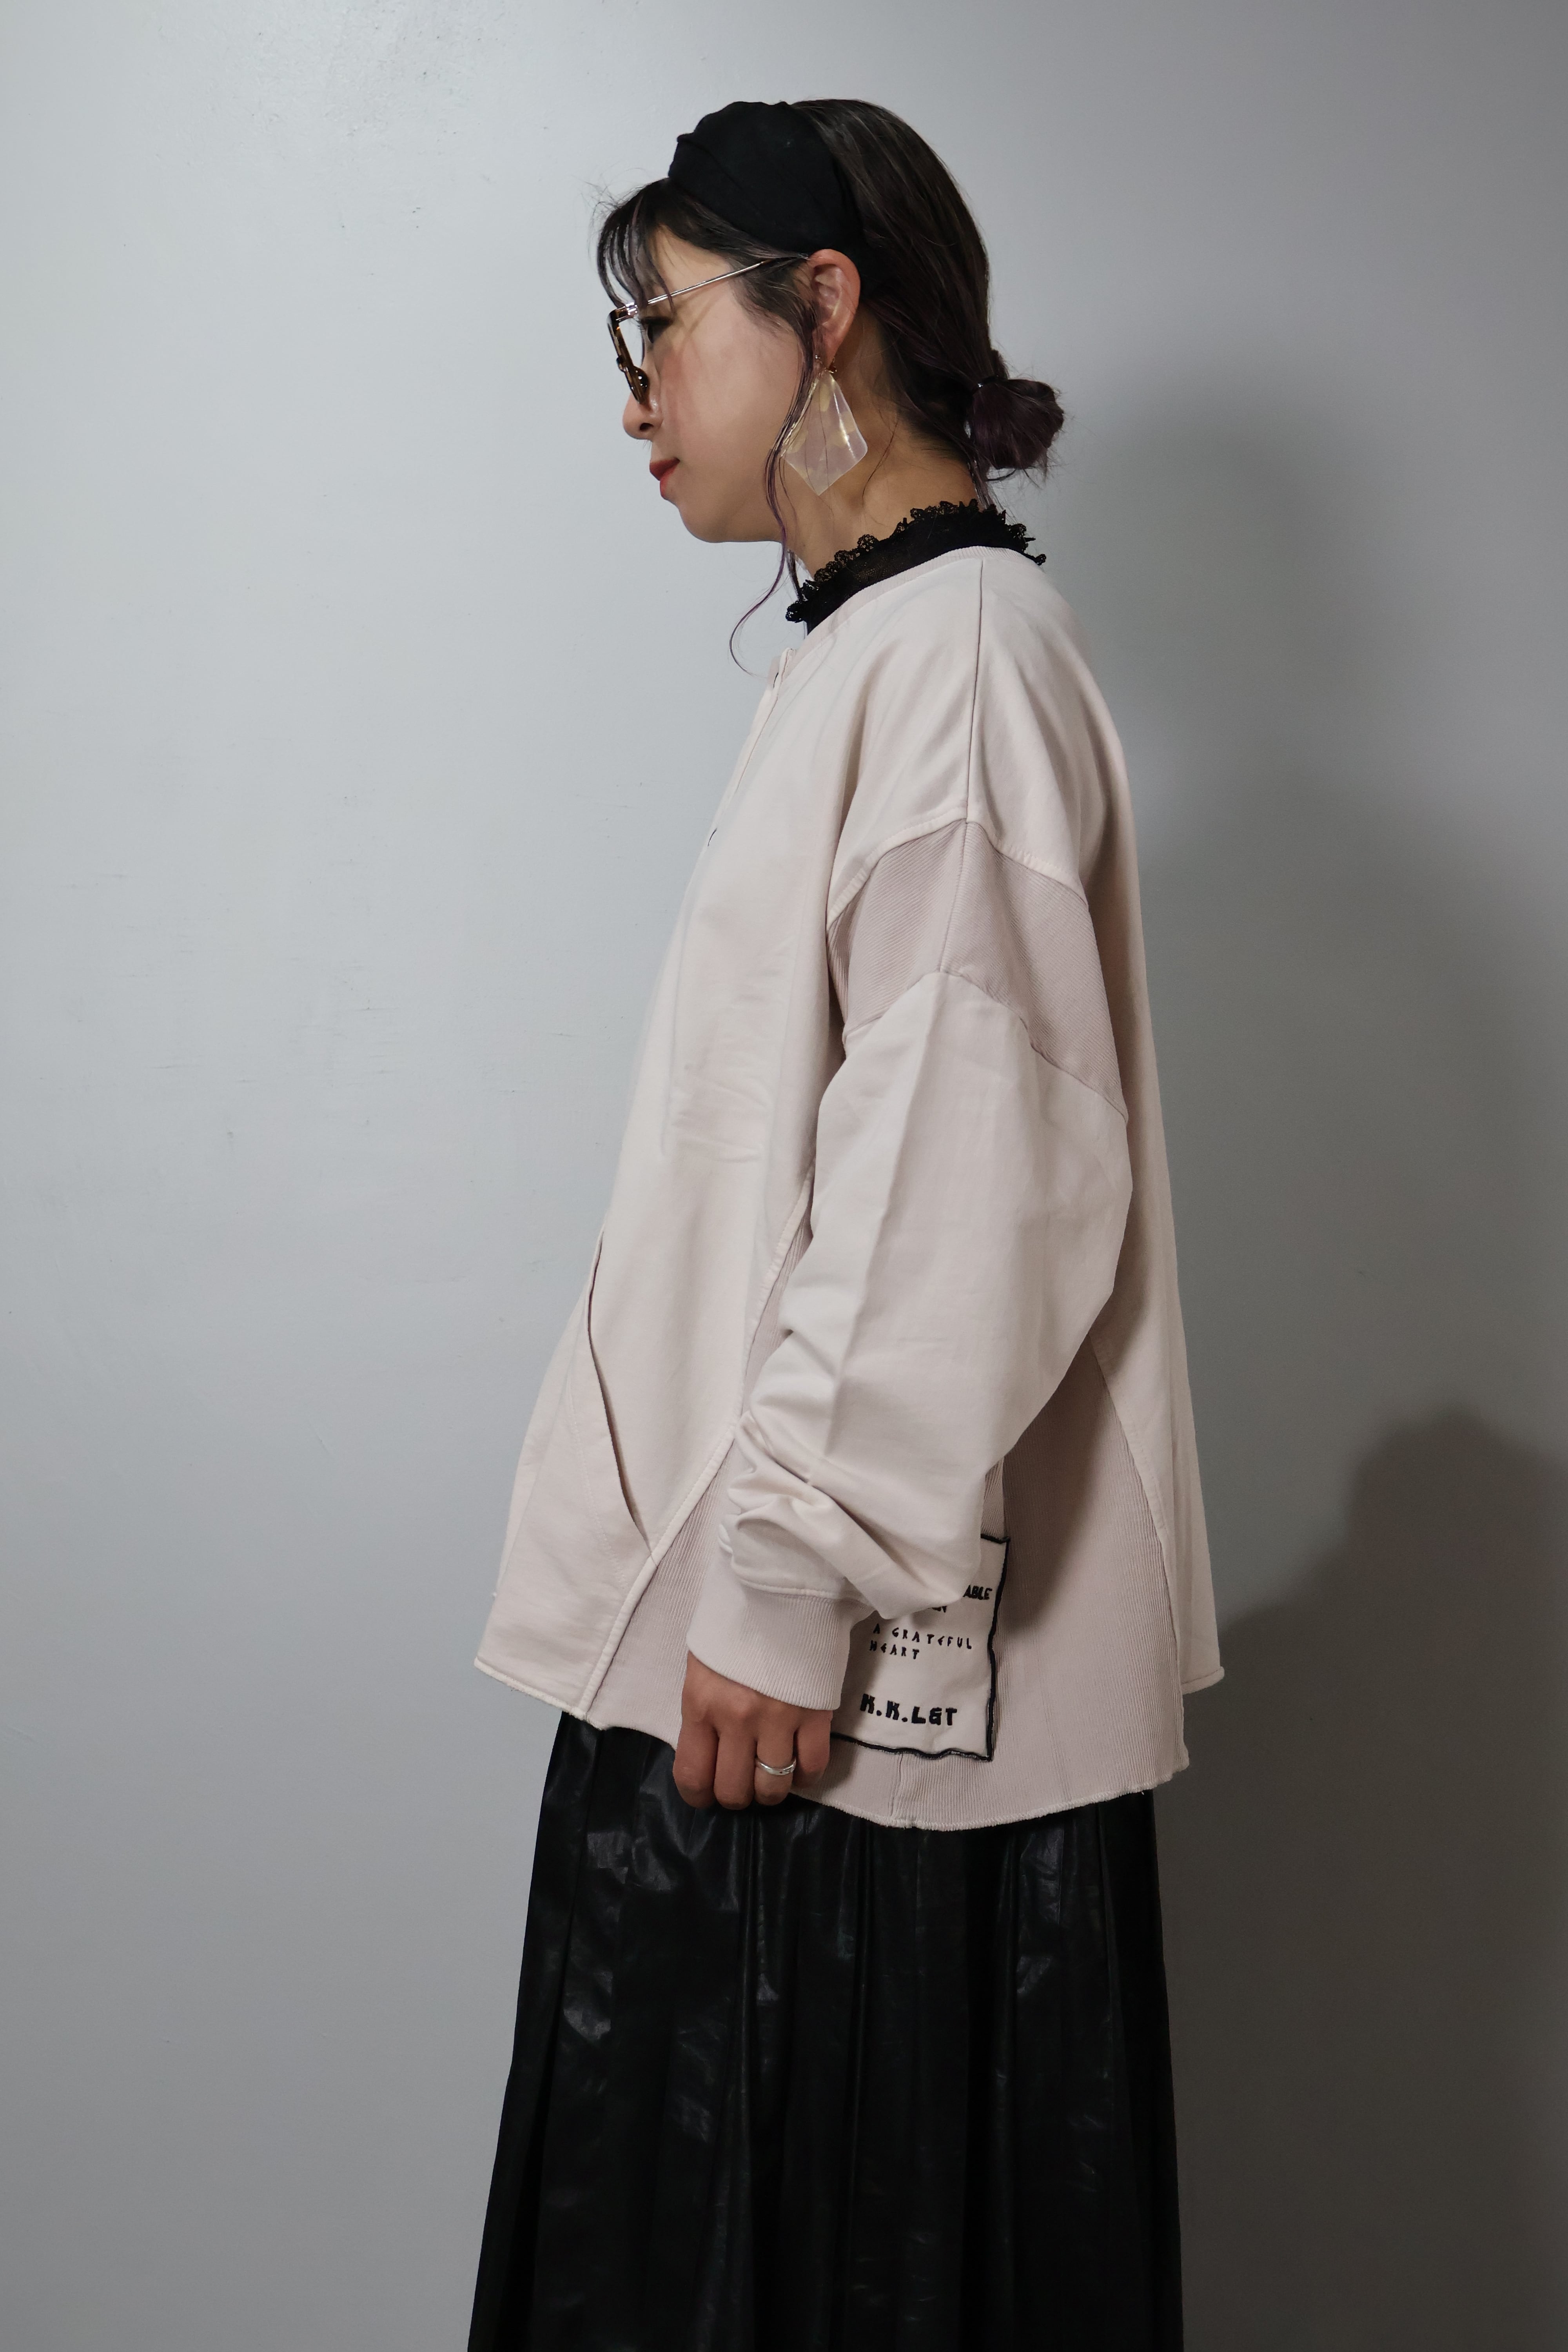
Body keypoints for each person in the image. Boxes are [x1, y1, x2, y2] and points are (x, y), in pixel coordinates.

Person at [467, 96, 1219, 2352]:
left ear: (825, 306)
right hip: (781, 1651)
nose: (636, 395)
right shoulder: (888, 647)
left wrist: (789, 1585)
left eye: (666, 327)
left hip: (831, 1695)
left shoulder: (958, 656)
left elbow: (968, 1166)